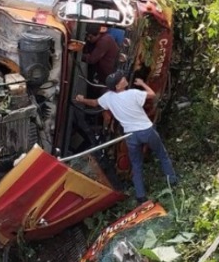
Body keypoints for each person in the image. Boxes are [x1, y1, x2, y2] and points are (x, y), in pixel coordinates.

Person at [76, 71, 178, 203]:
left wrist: (82, 99)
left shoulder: (108, 97)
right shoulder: (133, 94)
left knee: (136, 164)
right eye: (121, 79)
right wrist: (142, 83)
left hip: (131, 135)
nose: (124, 78)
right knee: (162, 155)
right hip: (146, 130)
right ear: (118, 86)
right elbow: (152, 94)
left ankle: (140, 196)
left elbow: (95, 103)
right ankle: (173, 182)